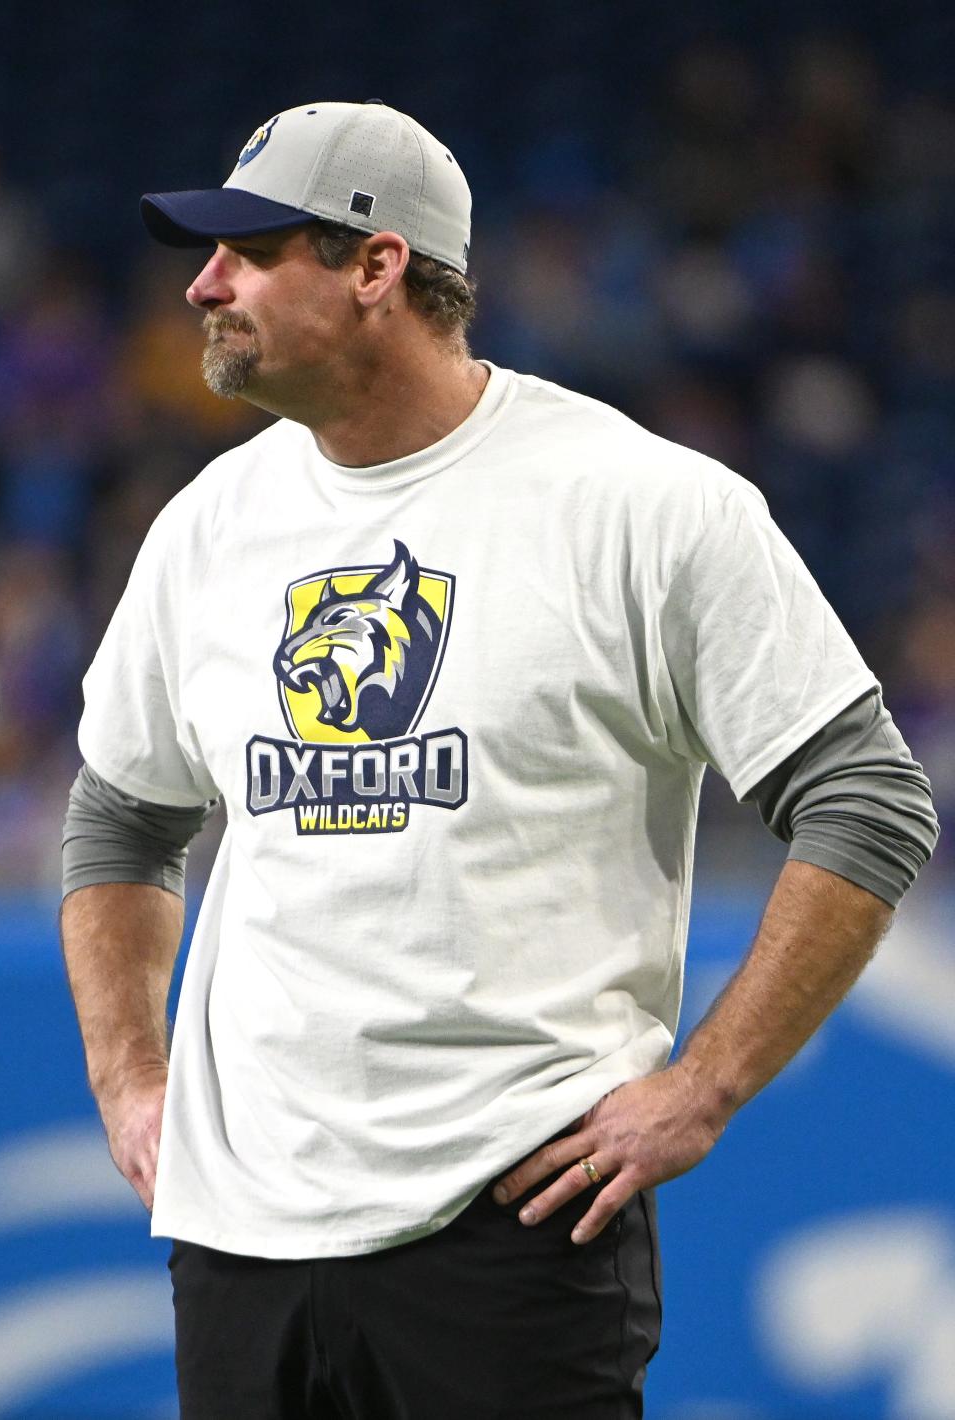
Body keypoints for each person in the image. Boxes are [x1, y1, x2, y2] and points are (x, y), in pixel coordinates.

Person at [60, 99, 939, 1420]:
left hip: (507, 1227)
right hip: (239, 1238)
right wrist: (131, 1081)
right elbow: (121, 815)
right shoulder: (206, 527)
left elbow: (864, 798)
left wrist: (703, 1089)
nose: (204, 283)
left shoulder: (640, 504)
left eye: (250, 250)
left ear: (377, 266)